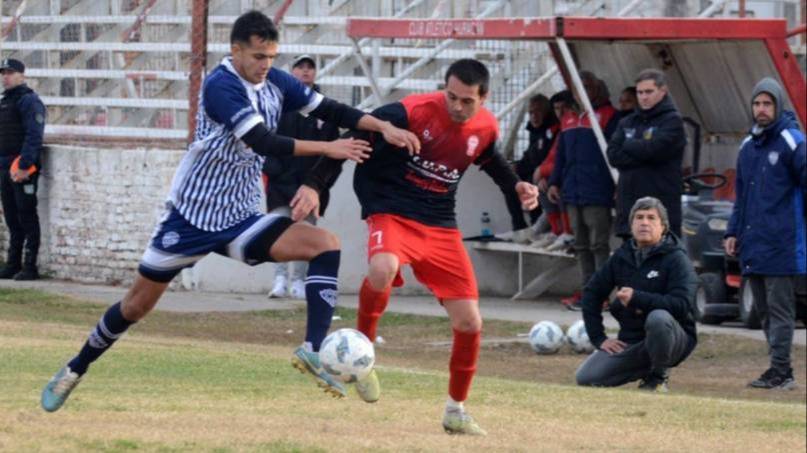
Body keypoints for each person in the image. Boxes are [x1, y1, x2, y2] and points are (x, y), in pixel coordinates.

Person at [39, 10, 420, 413]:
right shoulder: (221, 86)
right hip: (190, 220)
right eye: (258, 56)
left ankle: (313, 350)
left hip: (241, 220)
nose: (265, 65)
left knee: (325, 244)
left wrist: (381, 127)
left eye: (271, 57)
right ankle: (74, 370)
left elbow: (332, 109)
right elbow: (262, 140)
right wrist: (329, 148)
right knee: (135, 307)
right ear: (235, 50)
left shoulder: (274, 80)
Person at [295, 59, 539, 435]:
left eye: (467, 101)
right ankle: (363, 358)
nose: (457, 107)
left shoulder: (487, 126)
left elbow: (489, 159)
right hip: (390, 206)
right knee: (382, 268)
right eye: (451, 96)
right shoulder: (410, 112)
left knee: (470, 322)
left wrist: (517, 186)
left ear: (484, 98)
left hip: (440, 222)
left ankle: (455, 410)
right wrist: (315, 184)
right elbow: (353, 136)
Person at [724, 77, 806, 390]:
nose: (761, 110)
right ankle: (776, 367)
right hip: (754, 243)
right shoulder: (748, 146)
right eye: (757, 104)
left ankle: (783, 371)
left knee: (781, 310)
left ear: (778, 105)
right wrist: (732, 232)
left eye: (767, 104)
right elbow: (741, 197)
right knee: (762, 311)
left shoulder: (792, 140)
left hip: (783, 243)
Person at [575, 197, 698, 392]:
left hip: (674, 339)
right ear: (631, 225)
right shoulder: (621, 257)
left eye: (651, 218)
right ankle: (643, 366)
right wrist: (599, 338)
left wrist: (637, 298)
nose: (644, 223)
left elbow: (682, 305)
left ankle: (658, 378)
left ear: (663, 226)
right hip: (632, 340)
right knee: (586, 378)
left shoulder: (677, 259)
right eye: (639, 217)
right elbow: (591, 293)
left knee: (658, 318)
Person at [265, 54, 341, 299]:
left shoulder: (324, 108)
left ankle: (299, 281)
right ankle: (279, 280)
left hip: (310, 186)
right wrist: (275, 171)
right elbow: (266, 142)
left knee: (305, 233)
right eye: (301, 67)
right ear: (292, 72)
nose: (306, 71)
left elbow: (334, 150)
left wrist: (319, 184)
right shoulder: (279, 104)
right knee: (277, 231)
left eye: (310, 67)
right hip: (280, 184)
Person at [548, 71, 618, 310]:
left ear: (597, 89)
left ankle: (603, 294)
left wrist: (617, 185)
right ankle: (588, 291)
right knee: (580, 244)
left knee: (599, 245)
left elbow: (614, 155)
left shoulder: (609, 116)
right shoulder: (567, 118)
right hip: (572, 191)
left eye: (587, 87)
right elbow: (561, 155)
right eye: (579, 87)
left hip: (597, 191)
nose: (583, 92)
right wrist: (555, 182)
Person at [607, 69, 686, 239]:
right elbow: (613, 155)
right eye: (640, 92)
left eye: (649, 92)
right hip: (629, 208)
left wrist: (628, 144)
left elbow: (653, 151)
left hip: (659, 210)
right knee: (631, 263)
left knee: (660, 262)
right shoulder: (627, 121)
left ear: (662, 91)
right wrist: (641, 151)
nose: (643, 97)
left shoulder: (672, 121)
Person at [0, 58, 46, 280]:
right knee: (11, 217)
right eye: (3, 73)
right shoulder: (5, 102)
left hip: (22, 169)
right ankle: (12, 263)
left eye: (9, 72)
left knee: (26, 215)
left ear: (21, 75)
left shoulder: (29, 101)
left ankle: (30, 266)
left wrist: (25, 165)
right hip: (4, 168)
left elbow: (34, 136)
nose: (5, 77)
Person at [504, 94, 556, 231]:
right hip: (534, 172)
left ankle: (536, 226)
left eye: (538, 111)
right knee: (510, 182)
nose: (534, 115)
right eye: (531, 112)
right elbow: (531, 155)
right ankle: (519, 226)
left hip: (546, 175)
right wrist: (517, 166)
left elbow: (550, 156)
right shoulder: (535, 131)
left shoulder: (553, 130)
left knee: (532, 185)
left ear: (546, 112)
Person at [531, 90, 574, 252]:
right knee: (543, 188)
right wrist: (542, 171)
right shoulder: (561, 129)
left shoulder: (572, 127)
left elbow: (566, 158)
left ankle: (568, 233)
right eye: (556, 108)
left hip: (574, 177)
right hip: (558, 174)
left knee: (558, 188)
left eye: (564, 108)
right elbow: (552, 156)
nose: (560, 112)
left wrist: (543, 171)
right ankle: (558, 232)